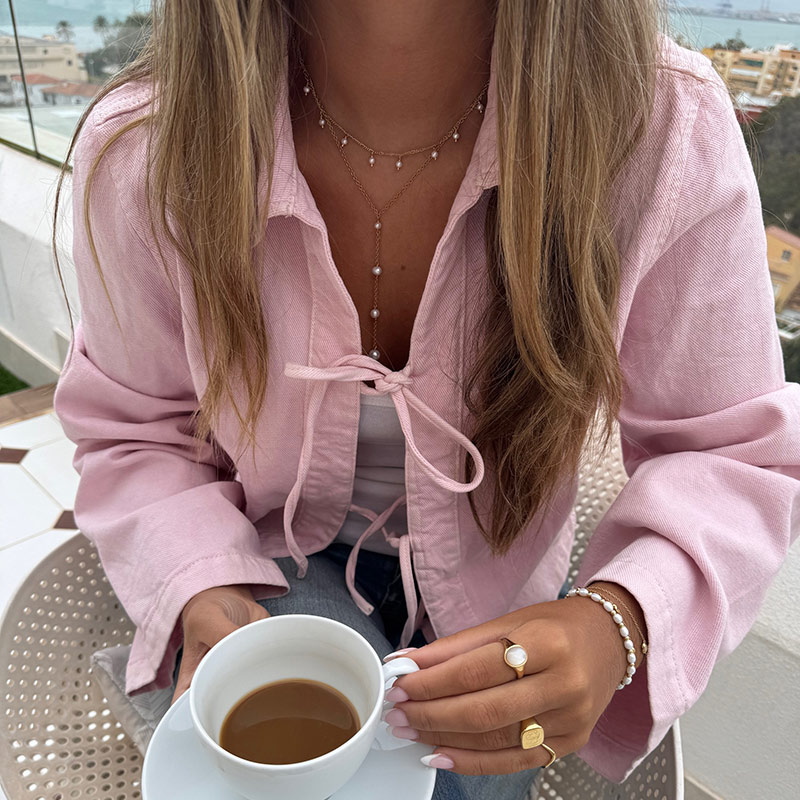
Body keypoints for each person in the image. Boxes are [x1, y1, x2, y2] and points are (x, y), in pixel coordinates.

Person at [52, 1, 800, 799]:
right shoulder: (150, 149)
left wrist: (618, 619)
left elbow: (732, 455)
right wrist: (199, 576)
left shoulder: (661, 133)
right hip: (269, 561)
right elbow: (135, 430)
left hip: (505, 588)